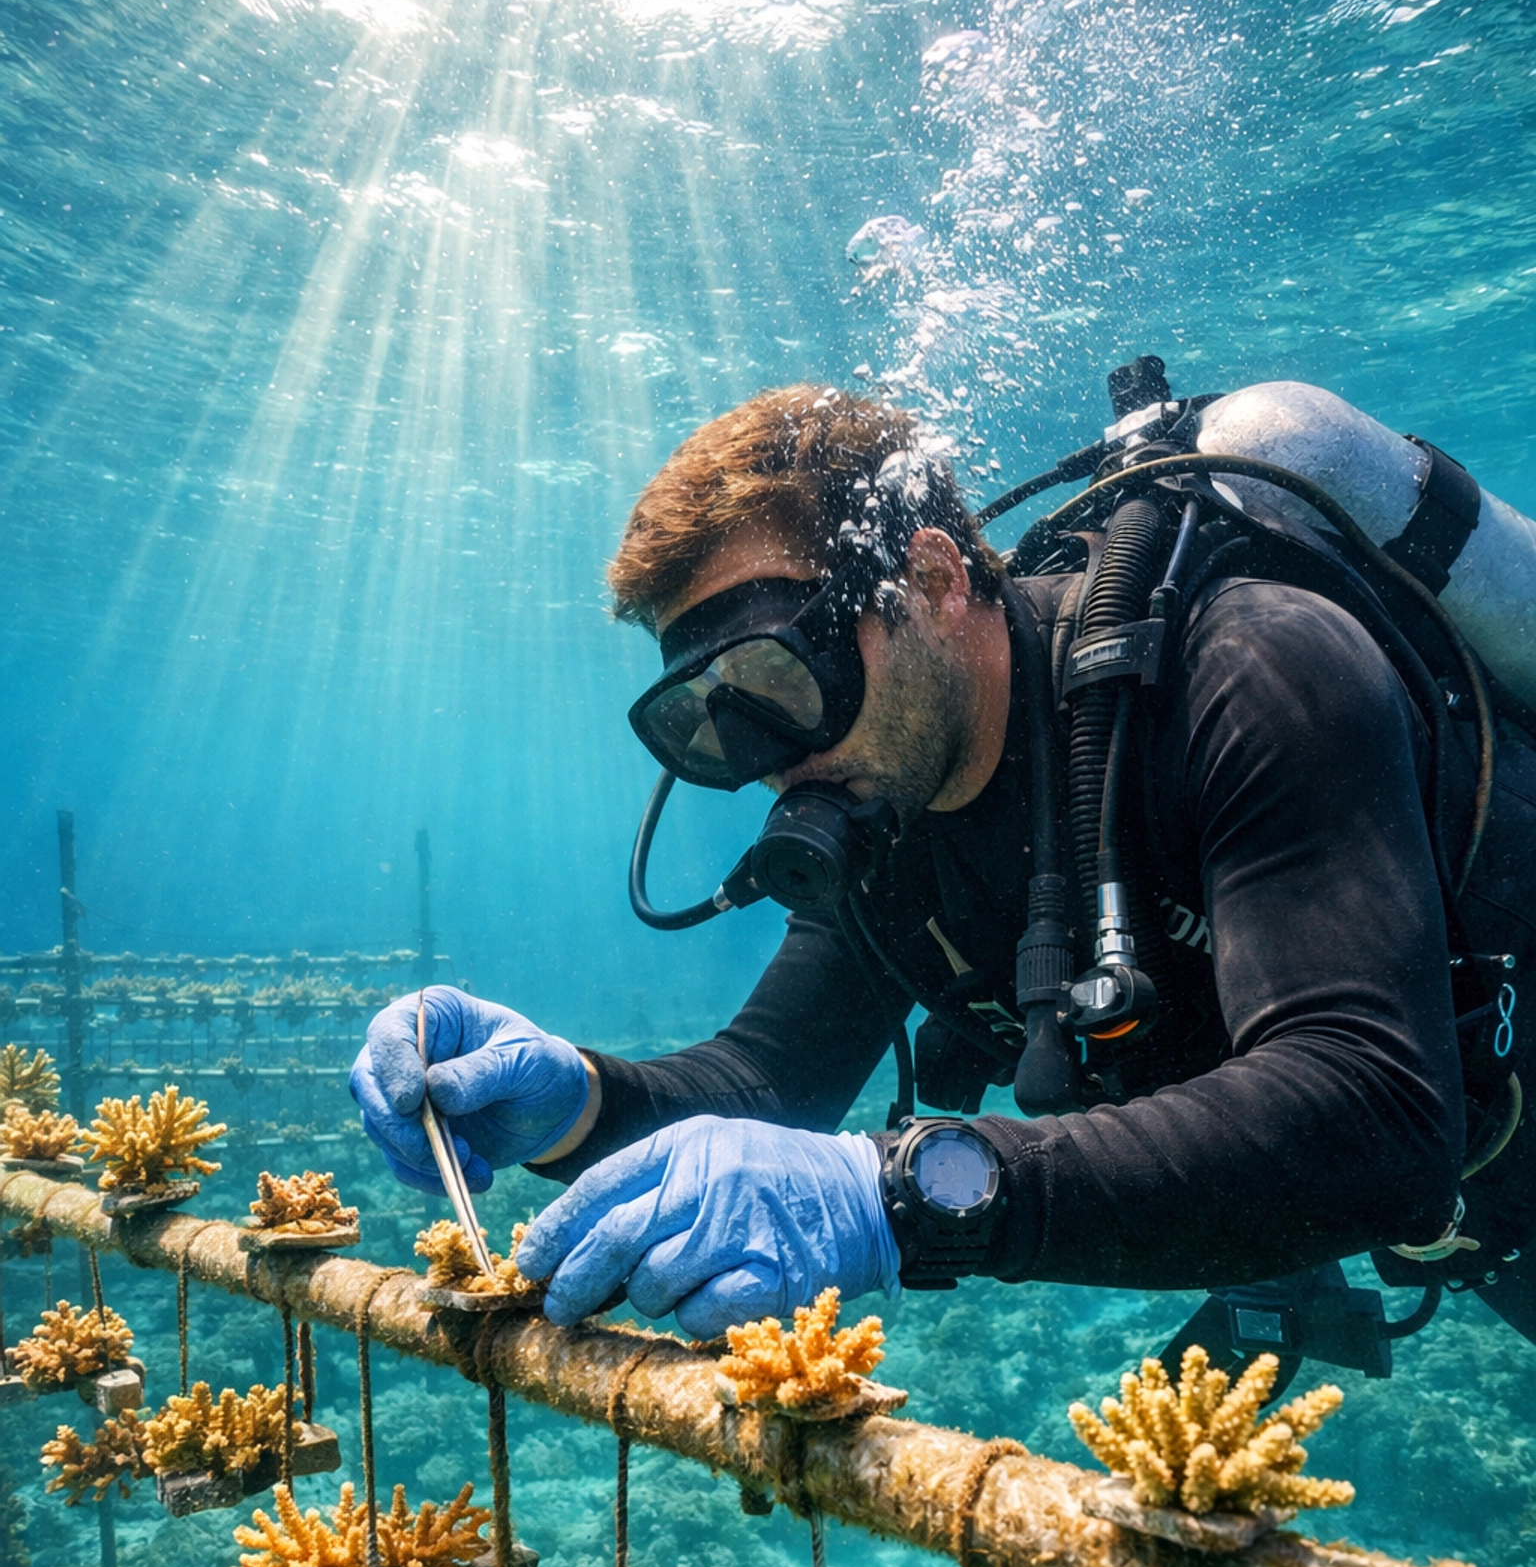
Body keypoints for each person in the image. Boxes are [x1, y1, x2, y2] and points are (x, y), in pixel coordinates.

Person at [351, 378, 1536, 1365]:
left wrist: (909, 1194)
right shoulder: (886, 809)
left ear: (930, 581)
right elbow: (767, 1086)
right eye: (715, 726)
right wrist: (578, 1101)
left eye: (782, 683)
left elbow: (1374, 1113)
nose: (774, 766)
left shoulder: (1252, 665)